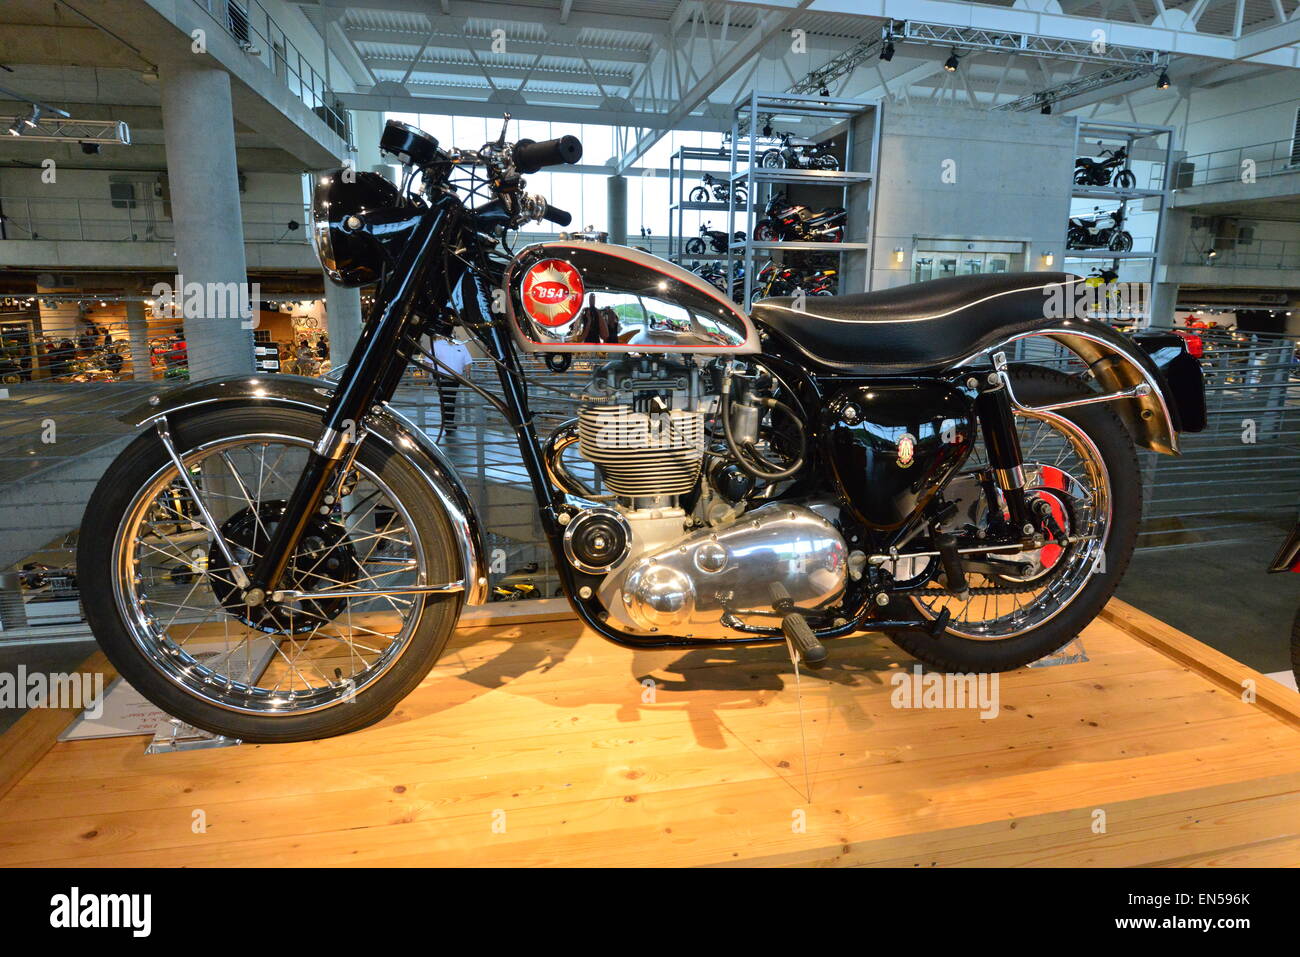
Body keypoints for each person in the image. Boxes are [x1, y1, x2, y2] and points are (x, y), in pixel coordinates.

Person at [431, 333, 472, 438]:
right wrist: (429, 378)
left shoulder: (460, 345)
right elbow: (428, 361)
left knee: (450, 400)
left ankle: (449, 424)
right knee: (446, 400)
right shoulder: (437, 344)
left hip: (455, 378)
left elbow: (467, 361)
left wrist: (468, 376)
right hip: (441, 377)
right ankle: (448, 425)